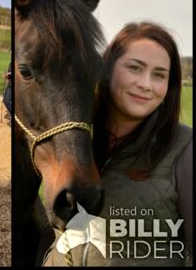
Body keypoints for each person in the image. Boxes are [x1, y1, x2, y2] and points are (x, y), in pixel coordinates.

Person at [42, 22, 192, 267]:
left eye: (159, 75)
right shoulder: (72, 137)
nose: (146, 84)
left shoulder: (185, 148)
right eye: (135, 68)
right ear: (107, 70)